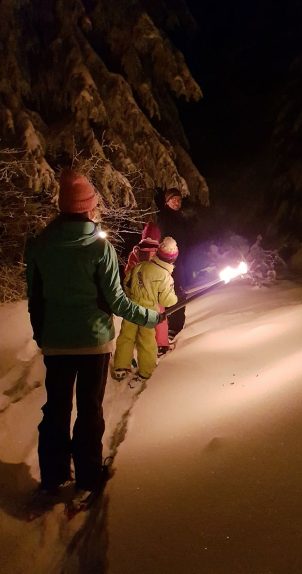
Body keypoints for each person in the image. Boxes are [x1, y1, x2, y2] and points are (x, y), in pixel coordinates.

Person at [25, 169, 162, 506]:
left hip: (56, 343)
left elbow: (35, 298)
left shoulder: (41, 244)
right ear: (88, 207)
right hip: (93, 343)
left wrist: (42, 335)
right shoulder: (99, 246)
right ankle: (87, 475)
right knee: (89, 409)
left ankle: (53, 475)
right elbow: (115, 301)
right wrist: (150, 316)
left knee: (55, 409)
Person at [113, 236, 179, 380]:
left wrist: (132, 297)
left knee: (126, 337)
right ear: (172, 259)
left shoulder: (141, 266)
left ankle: (120, 367)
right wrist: (176, 297)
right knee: (147, 341)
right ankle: (146, 371)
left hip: (131, 309)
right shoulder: (165, 276)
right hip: (148, 313)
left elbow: (127, 282)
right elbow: (166, 300)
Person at [156, 188, 195, 340]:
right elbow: (163, 241)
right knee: (173, 293)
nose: (177, 203)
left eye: (179, 200)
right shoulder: (164, 218)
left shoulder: (180, 218)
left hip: (182, 261)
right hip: (170, 263)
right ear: (167, 201)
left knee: (181, 292)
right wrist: (169, 261)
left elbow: (187, 239)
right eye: (174, 200)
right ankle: (173, 327)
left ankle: (176, 325)